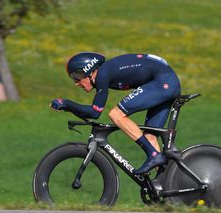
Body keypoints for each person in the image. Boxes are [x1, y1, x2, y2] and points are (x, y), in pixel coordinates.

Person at [50, 52, 181, 175]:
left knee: (116, 114)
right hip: (165, 81)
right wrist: (68, 107)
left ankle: (154, 155)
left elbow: (95, 112)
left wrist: (67, 104)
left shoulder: (102, 74)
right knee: (150, 138)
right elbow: (92, 113)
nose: (76, 83)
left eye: (77, 77)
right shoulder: (104, 72)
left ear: (88, 71)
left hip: (163, 82)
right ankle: (164, 185)